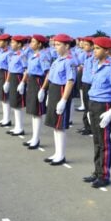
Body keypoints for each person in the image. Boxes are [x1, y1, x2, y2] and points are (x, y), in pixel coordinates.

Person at [83, 37, 111, 188]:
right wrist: (89, 109)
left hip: (104, 106)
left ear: (107, 51)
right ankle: (97, 171)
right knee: (96, 140)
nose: (94, 51)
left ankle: (104, 175)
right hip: (94, 103)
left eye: (97, 48)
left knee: (104, 142)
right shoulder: (95, 66)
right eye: (94, 48)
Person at [39, 33, 76, 165]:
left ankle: (61, 155)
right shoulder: (57, 60)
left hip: (61, 91)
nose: (56, 47)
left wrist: (64, 100)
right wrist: (45, 90)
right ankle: (56, 152)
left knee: (60, 126)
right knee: (55, 124)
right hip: (54, 90)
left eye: (58, 45)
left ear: (67, 46)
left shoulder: (70, 61)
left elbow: (70, 81)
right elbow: (50, 77)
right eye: (55, 45)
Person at [21, 34, 51, 149]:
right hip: (32, 81)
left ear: (39, 44)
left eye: (33, 42)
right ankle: (34, 137)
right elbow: (28, 70)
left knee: (37, 112)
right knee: (33, 112)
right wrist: (23, 82)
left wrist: (43, 89)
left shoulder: (43, 56)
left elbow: (47, 73)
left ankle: (36, 139)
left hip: (39, 82)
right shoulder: (34, 55)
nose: (30, 44)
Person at [4, 35, 28, 135]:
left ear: (19, 44)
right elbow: (10, 69)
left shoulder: (22, 55)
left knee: (18, 104)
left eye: (13, 43)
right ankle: (16, 126)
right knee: (13, 103)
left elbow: (26, 70)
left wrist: (22, 82)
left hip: (19, 77)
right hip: (13, 77)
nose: (11, 44)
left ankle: (20, 128)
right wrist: (7, 81)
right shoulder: (13, 55)